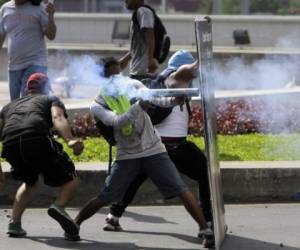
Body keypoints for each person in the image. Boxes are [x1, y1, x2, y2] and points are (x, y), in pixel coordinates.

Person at [74, 66, 214, 248]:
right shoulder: (97, 105)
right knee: (106, 196)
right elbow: (117, 121)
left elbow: (157, 99)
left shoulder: (132, 85)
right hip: (127, 155)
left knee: (180, 189)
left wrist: (174, 100)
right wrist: (139, 106)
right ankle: (74, 224)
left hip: (153, 149)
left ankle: (205, 230)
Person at [103, 50, 213, 239]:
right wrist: (201, 60)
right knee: (205, 173)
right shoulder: (176, 78)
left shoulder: (165, 82)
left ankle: (113, 216)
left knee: (136, 178)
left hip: (151, 145)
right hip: (173, 146)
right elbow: (185, 71)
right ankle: (208, 221)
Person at [0, 72, 84, 240]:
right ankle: (58, 206)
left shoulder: (10, 106)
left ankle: (15, 224)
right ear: (47, 87)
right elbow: (57, 116)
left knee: (30, 182)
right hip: (36, 138)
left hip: (10, 144)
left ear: (27, 89)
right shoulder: (49, 99)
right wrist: (69, 140)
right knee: (71, 179)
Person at [0, 0, 56, 100]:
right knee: (14, 103)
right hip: (13, 65)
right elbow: (1, 35)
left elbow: (51, 35)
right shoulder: (5, 9)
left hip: (35, 63)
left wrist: (51, 15)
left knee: (26, 101)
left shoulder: (39, 8)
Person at [119, 0, 159, 80]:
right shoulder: (137, 14)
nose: (125, 1)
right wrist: (125, 59)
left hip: (142, 72)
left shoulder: (143, 11)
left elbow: (150, 34)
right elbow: (139, 45)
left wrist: (150, 59)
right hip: (137, 71)